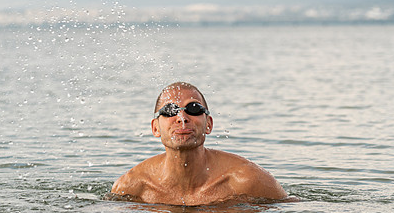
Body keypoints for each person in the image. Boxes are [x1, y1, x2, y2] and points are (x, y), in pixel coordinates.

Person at [111, 82, 287, 205]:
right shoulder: (132, 187)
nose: (182, 118)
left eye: (193, 109)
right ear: (155, 128)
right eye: (170, 110)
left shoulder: (247, 180)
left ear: (209, 124)